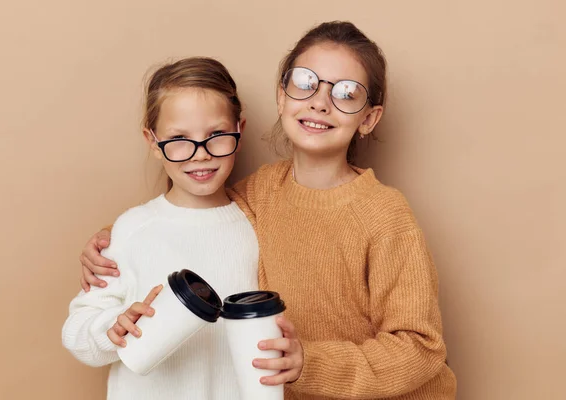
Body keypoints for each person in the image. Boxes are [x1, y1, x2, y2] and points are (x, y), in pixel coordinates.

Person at [79, 22, 457, 399]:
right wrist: (112, 238)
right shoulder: (263, 192)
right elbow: (197, 213)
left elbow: (421, 347)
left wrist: (309, 363)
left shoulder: (385, 215)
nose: (320, 102)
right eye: (306, 83)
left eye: (346, 92)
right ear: (281, 97)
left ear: (369, 119)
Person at [62, 57, 302, 400]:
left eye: (216, 135)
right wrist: (113, 328)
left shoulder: (258, 225)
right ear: (152, 140)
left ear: (239, 130)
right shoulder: (132, 230)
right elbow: (76, 335)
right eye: (179, 138)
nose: (200, 154)